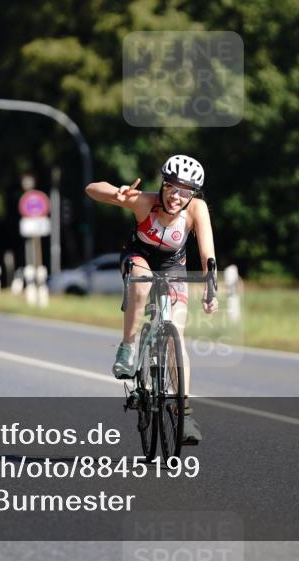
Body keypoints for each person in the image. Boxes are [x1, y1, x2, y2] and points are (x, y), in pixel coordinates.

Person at [85, 155, 218, 444]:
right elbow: (92, 188)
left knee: (177, 336)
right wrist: (115, 194)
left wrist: (211, 287)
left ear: (193, 194)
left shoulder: (197, 209)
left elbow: (208, 253)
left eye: (185, 190)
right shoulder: (144, 202)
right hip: (138, 256)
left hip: (173, 266)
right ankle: (128, 346)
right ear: (162, 184)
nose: (176, 196)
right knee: (141, 283)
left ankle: (184, 415)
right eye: (171, 187)